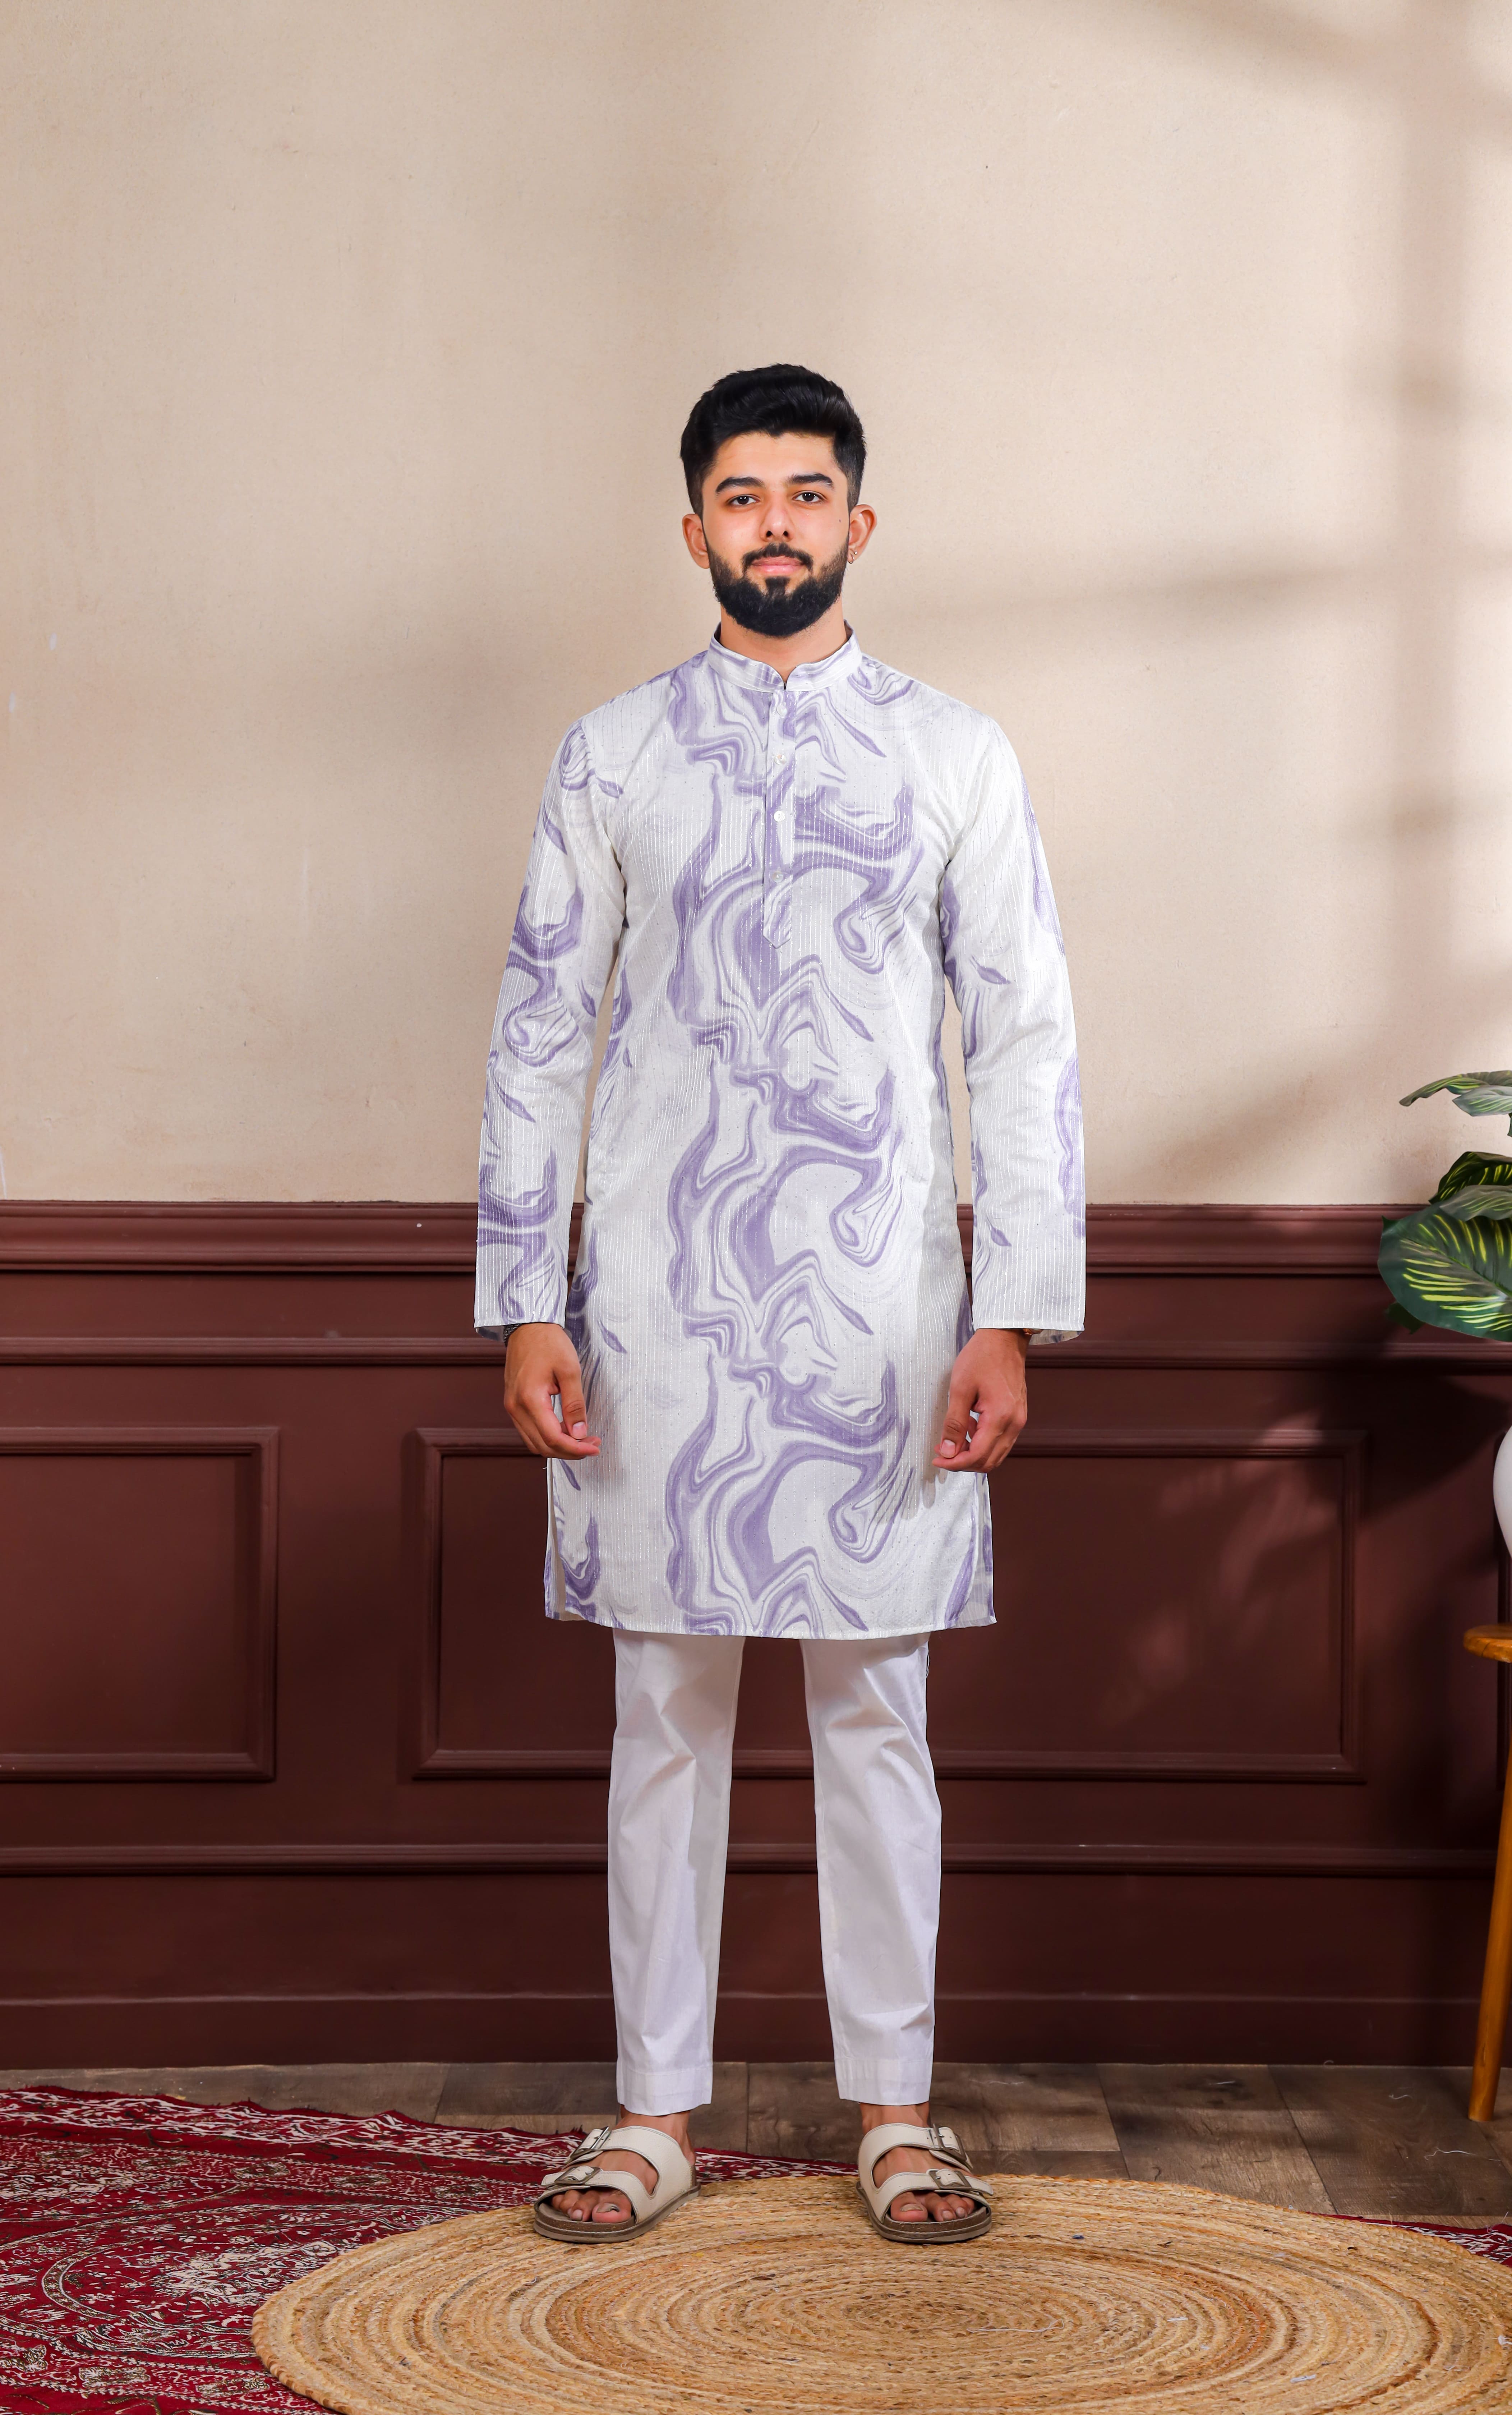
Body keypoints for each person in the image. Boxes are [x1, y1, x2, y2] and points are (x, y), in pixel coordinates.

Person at [475, 364, 1083, 2244]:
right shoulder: (613, 754)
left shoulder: (956, 754)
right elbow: (543, 1026)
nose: (776, 524)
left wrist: (1010, 1312)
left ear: (858, 525)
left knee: (875, 1708)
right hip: (657, 1307)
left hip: (888, 1313)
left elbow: (1025, 1036)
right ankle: (653, 2115)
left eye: (807, 493)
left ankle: (897, 2115)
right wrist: (529, 1297)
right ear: (696, 532)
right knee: (662, 1707)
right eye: (743, 496)